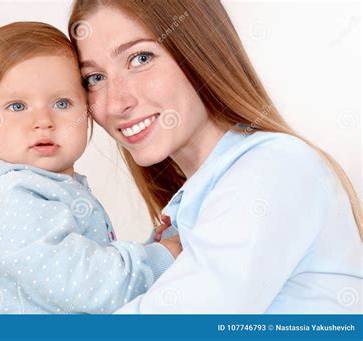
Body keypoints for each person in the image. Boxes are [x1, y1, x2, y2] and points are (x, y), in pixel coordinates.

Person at [68, 0, 362, 313]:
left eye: (140, 58)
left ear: (201, 51)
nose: (115, 103)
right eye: (94, 78)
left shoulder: (275, 167)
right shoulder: (188, 212)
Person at [0, 21, 181, 314]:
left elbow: (86, 268)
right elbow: (85, 283)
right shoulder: (9, 196)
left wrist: (152, 246)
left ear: (88, 114)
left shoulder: (48, 189)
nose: (43, 120)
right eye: (17, 106)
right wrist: (158, 258)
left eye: (62, 103)